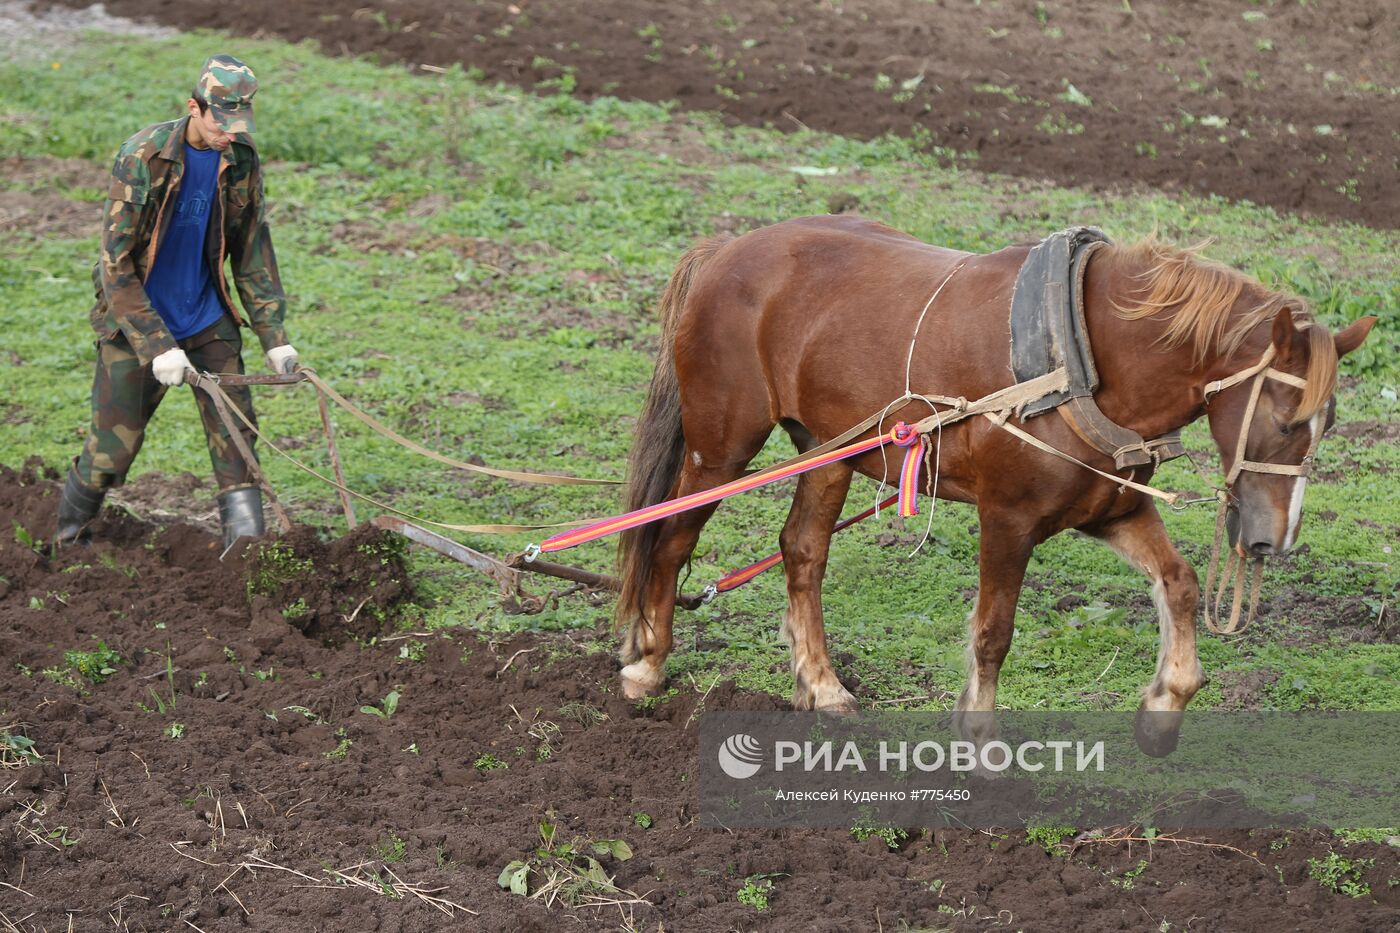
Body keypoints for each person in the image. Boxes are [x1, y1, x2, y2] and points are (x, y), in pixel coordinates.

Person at [56, 54, 298, 552]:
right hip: (139, 324)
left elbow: (252, 247)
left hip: (207, 320)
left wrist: (275, 337)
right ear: (194, 107)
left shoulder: (241, 160)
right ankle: (67, 540)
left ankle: (246, 559)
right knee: (110, 453)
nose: (229, 134)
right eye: (220, 123)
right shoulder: (142, 157)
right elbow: (115, 263)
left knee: (238, 445)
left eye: (239, 124)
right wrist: (158, 343)